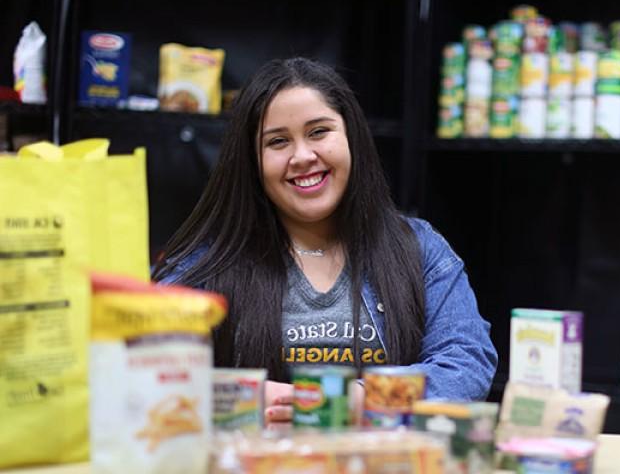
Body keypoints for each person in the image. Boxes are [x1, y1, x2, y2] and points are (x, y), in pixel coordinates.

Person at [152, 57, 497, 427]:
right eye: (278, 141)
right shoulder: (207, 262)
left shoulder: (419, 248)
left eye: (318, 132)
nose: (303, 156)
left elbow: (466, 362)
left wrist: (360, 399)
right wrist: (244, 395)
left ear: (351, 137)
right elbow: (154, 367)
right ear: (252, 163)